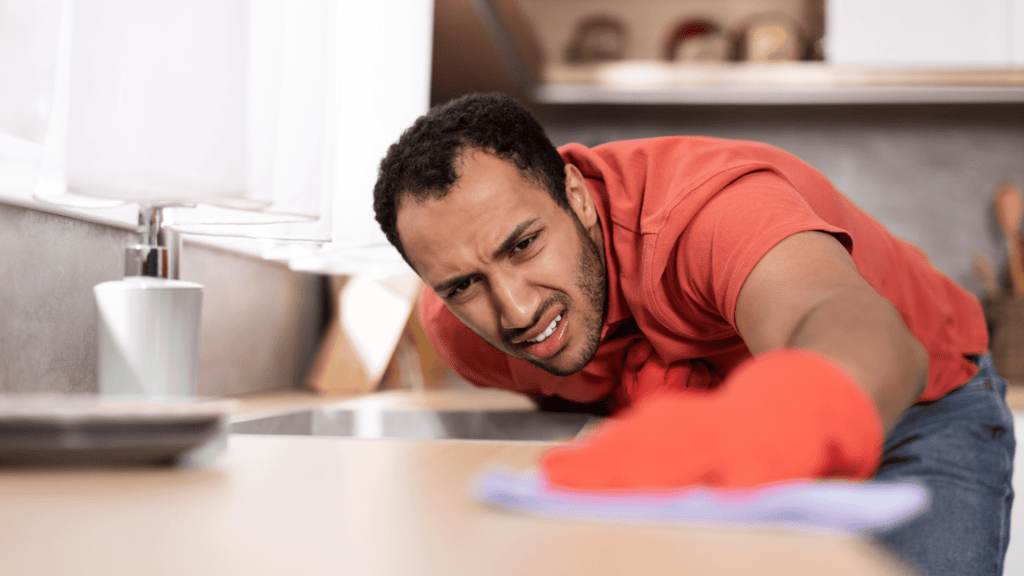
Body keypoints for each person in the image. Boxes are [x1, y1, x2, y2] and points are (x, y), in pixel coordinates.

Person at [373, 92, 1015, 575]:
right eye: (461, 285)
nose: (513, 312)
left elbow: (838, 320)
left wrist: (779, 425)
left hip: (919, 408)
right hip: (717, 434)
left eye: (524, 244)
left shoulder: (708, 211)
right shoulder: (465, 335)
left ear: (575, 195)